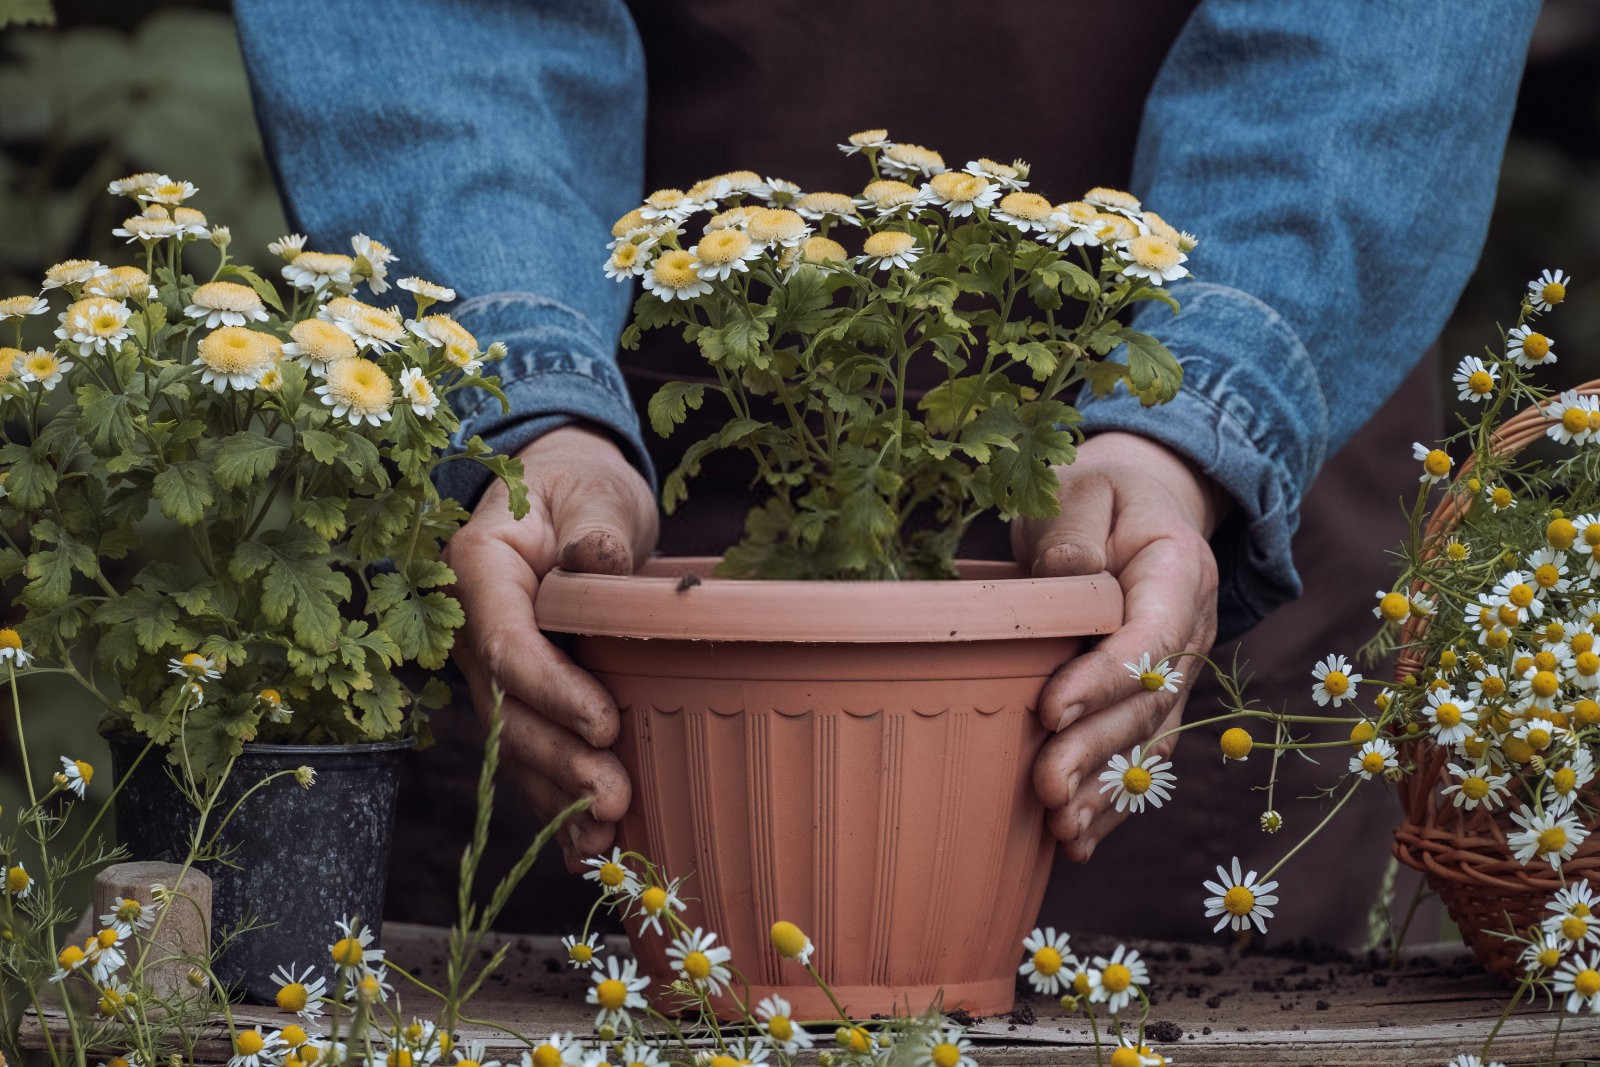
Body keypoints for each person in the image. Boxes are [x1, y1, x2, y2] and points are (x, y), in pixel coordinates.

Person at [234, 0, 1541, 942]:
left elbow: (1380, 40)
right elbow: (448, 34)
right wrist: (526, 401)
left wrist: (1199, 412)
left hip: (1202, 517)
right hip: (629, 522)